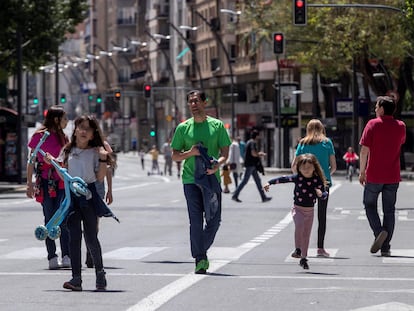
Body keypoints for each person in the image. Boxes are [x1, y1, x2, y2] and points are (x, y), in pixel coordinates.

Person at [48, 115, 115, 291]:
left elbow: (100, 177)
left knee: (91, 237)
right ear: (75, 130)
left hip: (89, 195)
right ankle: (76, 278)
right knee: (74, 237)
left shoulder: (96, 152)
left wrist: (102, 159)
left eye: (88, 129)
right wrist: (53, 162)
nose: (84, 131)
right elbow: (64, 174)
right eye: (81, 127)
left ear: (93, 134)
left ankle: (100, 274)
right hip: (71, 197)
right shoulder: (68, 150)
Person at [171, 90, 231, 274]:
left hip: (211, 179)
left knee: (214, 220)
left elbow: (225, 154)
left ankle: (199, 250)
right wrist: (190, 153)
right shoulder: (183, 128)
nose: (193, 104)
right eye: (190, 102)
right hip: (190, 181)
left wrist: (216, 166)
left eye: (196, 101)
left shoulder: (217, 126)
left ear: (205, 102)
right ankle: (200, 259)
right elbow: (175, 156)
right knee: (195, 221)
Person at [359, 96, 406, 257]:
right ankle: (385, 246)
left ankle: (379, 232)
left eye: (377, 106)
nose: (375, 109)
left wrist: (362, 171)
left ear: (382, 109)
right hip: (393, 176)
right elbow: (399, 144)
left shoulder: (372, 124)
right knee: (389, 210)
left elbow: (364, 150)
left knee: (369, 204)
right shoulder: (401, 126)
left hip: (374, 174)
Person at [263, 153, 328, 270]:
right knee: (299, 226)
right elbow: (283, 179)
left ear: (314, 167)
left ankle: (304, 258)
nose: (306, 170)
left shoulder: (316, 180)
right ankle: (297, 249)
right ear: (298, 168)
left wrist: (321, 194)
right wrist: (270, 182)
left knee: (306, 234)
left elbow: (324, 194)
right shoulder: (297, 178)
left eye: (309, 167)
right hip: (298, 209)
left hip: (310, 211)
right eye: (303, 168)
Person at [26, 105, 71, 270]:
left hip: (61, 182)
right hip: (45, 182)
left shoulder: (64, 138)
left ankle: (66, 255)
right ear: (57, 119)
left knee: (64, 219)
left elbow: (68, 160)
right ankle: (52, 257)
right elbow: (31, 161)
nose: (67, 122)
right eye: (65, 118)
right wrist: (29, 183)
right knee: (49, 219)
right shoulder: (39, 136)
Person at [291, 119, 336, 258]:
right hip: (323, 183)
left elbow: (294, 166)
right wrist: (325, 174)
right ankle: (320, 248)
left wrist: (302, 177)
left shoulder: (303, 143)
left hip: (305, 183)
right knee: (321, 216)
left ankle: (299, 248)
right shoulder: (327, 143)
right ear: (322, 128)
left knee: (303, 215)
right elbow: (333, 166)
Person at [86, 140, 116, 268]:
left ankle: (90, 252)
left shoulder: (103, 144)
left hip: (97, 188)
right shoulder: (80, 143)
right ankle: (90, 249)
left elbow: (109, 169)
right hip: (82, 185)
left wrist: (110, 190)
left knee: (94, 222)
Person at [231, 130, 272, 203]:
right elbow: (253, 153)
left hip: (251, 165)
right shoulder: (252, 142)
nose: (259, 137)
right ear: (256, 136)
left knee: (258, 181)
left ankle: (263, 197)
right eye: (258, 135)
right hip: (251, 165)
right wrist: (260, 154)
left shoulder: (249, 142)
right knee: (245, 181)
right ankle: (235, 195)